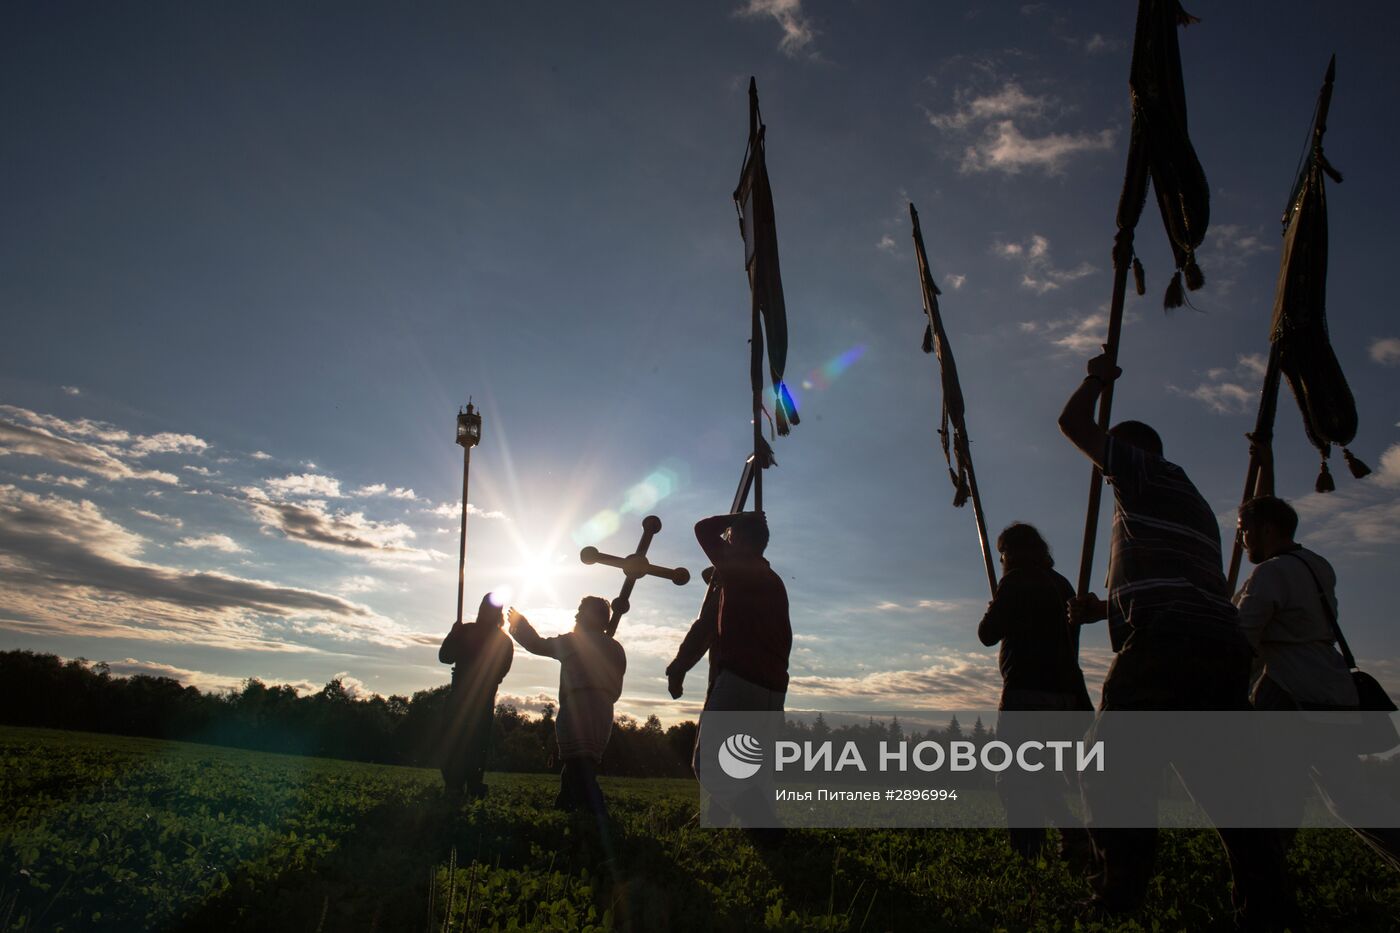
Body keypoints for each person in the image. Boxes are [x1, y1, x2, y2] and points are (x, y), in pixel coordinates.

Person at [1059, 352, 1289, 928]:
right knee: (1229, 788)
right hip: (1216, 646)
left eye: (1109, 454)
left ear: (1129, 449)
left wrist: (1096, 380)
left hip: (1165, 647)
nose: (1103, 466)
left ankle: (1118, 895)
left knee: (1107, 768)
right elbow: (1179, 584)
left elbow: (1072, 424)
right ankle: (1267, 908)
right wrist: (1105, 608)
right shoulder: (1190, 505)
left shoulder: (1144, 472)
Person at [1235, 494, 1400, 869]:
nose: (1241, 542)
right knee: (1348, 797)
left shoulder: (1271, 572)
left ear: (1266, 529)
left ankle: (1266, 881)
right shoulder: (1317, 564)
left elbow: (1243, 635)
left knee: (1276, 795)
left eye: (1244, 532)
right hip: (1329, 687)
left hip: (1293, 693)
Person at [976, 522, 1093, 862]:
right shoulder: (1063, 585)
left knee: (1015, 779)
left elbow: (987, 634)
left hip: (1027, 694)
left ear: (1011, 553)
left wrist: (995, 605)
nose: (1001, 561)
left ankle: (1029, 855)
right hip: (1068, 697)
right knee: (1041, 777)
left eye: (1003, 554)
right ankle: (1073, 837)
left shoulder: (1014, 582)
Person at [688, 510, 791, 829]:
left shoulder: (737, 567)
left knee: (708, 763)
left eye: (730, 538)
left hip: (741, 681)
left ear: (740, 541)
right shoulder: (774, 581)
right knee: (751, 770)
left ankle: (763, 825)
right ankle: (755, 833)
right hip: (772, 689)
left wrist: (740, 516)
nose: (725, 542)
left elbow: (703, 529)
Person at [508, 598, 625, 818]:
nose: (577, 616)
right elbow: (616, 689)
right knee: (578, 763)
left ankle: (597, 818)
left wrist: (520, 625)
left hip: (579, 709)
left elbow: (537, 644)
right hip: (603, 712)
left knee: (579, 768)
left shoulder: (574, 642)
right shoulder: (616, 648)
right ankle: (563, 809)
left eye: (582, 611)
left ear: (596, 617)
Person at [438, 593, 514, 799]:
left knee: (474, 745)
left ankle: (470, 785)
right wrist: (453, 635)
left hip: (477, 699)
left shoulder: (501, 642)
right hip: (465, 698)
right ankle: (456, 785)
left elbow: (499, 673)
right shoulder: (466, 631)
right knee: (458, 742)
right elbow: (445, 656)